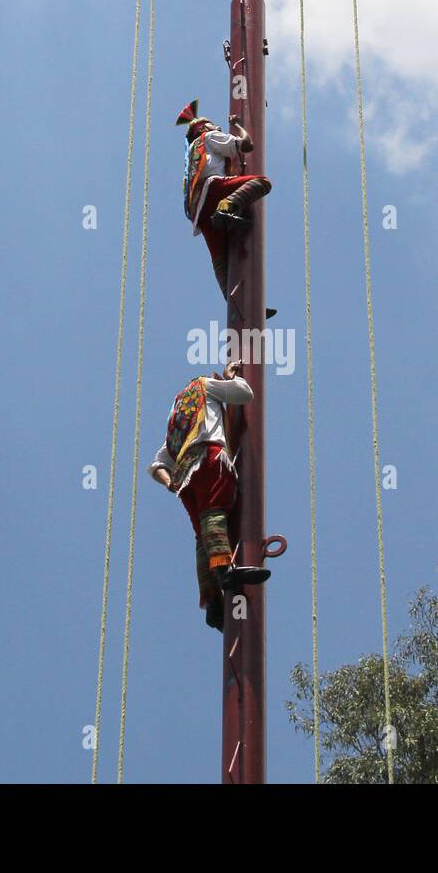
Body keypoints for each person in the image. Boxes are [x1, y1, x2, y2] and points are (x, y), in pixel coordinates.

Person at [148, 360, 270, 631]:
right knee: (215, 513)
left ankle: (213, 603)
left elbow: (157, 463)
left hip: (185, 479)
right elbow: (244, 393)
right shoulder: (205, 386)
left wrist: (169, 482)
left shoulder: (178, 422)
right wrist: (228, 378)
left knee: (202, 538)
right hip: (209, 459)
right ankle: (225, 572)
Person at [176, 100, 274, 311]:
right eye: (213, 124)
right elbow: (246, 145)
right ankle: (227, 206)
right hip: (214, 191)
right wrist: (238, 125)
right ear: (203, 128)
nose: (218, 127)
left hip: (200, 213)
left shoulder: (193, 151)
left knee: (221, 262)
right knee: (262, 183)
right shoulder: (209, 137)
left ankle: (239, 306)